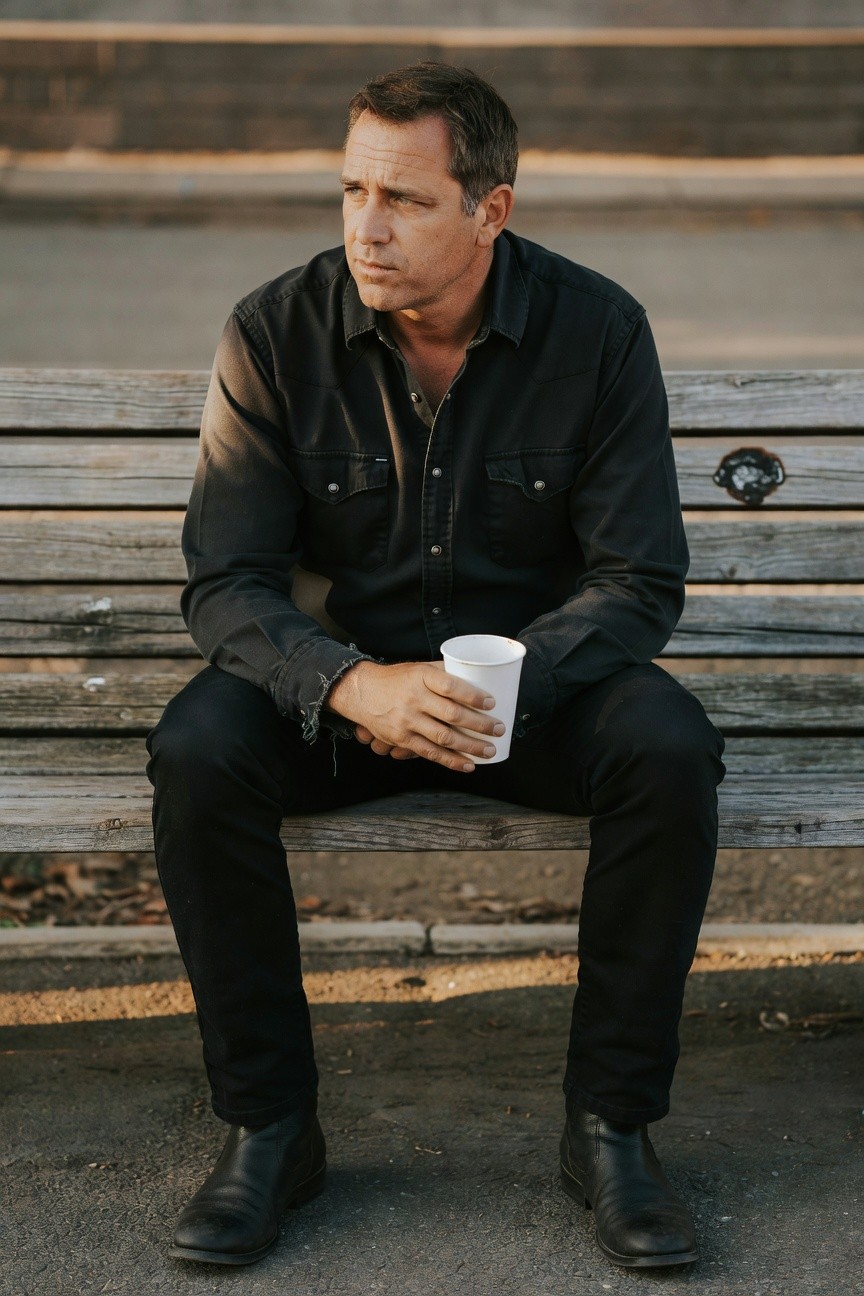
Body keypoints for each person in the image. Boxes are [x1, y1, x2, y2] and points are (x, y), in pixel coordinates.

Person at [146, 61, 726, 1270]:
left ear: (489, 210)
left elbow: (637, 578)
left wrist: (497, 682)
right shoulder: (274, 332)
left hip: (529, 703)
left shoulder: (597, 331)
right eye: (352, 189)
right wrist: (348, 683)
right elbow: (226, 582)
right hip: (340, 701)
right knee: (197, 750)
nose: (367, 226)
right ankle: (269, 1130)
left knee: (669, 749)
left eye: (405, 198)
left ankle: (612, 1130)